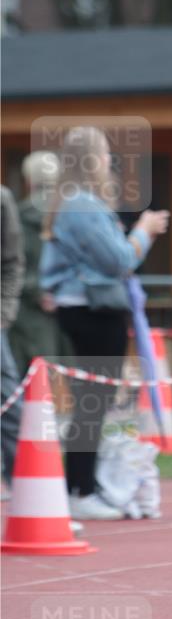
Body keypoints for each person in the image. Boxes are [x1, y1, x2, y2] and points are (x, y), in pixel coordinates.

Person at [40, 126, 169, 521]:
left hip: (89, 307)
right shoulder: (81, 204)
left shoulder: (75, 201)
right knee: (92, 401)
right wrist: (144, 233)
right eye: (103, 154)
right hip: (92, 309)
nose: (109, 162)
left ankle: (82, 485)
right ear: (91, 160)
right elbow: (118, 260)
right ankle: (80, 488)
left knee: (91, 400)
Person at [9, 151, 72, 377]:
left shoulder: (14, 217)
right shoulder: (74, 214)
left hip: (26, 316)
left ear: (28, 181)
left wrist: (38, 291)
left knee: (26, 386)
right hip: (67, 310)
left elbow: (8, 269)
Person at [1, 185, 26, 496]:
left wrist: (4, 313)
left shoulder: (3, 199)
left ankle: (29, 491)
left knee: (9, 406)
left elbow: (11, 263)